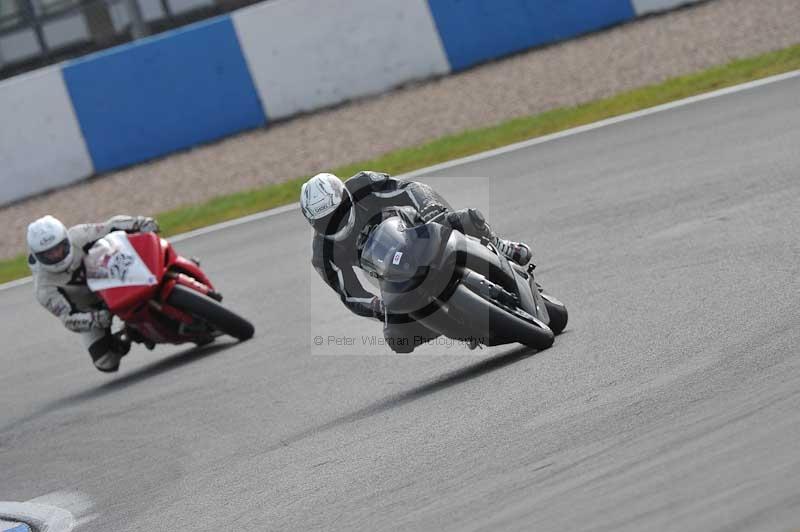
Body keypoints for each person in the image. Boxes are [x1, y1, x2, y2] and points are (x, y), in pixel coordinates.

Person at [300, 171, 532, 353]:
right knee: (398, 339)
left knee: (466, 218)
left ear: (346, 198)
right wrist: (377, 306)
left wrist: (429, 208)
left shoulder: (364, 185)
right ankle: (465, 327)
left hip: (421, 234)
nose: (335, 223)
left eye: (338, 212)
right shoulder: (322, 254)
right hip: (393, 277)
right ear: (313, 224)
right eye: (325, 222)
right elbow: (349, 293)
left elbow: (409, 189)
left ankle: (500, 246)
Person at [27, 214, 159, 372]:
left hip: (115, 275)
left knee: (150, 251)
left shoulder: (79, 235)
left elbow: (110, 226)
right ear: (38, 256)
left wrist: (140, 223)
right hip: (93, 308)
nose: (56, 255)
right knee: (105, 361)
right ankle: (130, 334)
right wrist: (95, 319)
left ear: (66, 240)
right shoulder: (44, 288)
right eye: (49, 254)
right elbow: (69, 319)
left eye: (59, 248)